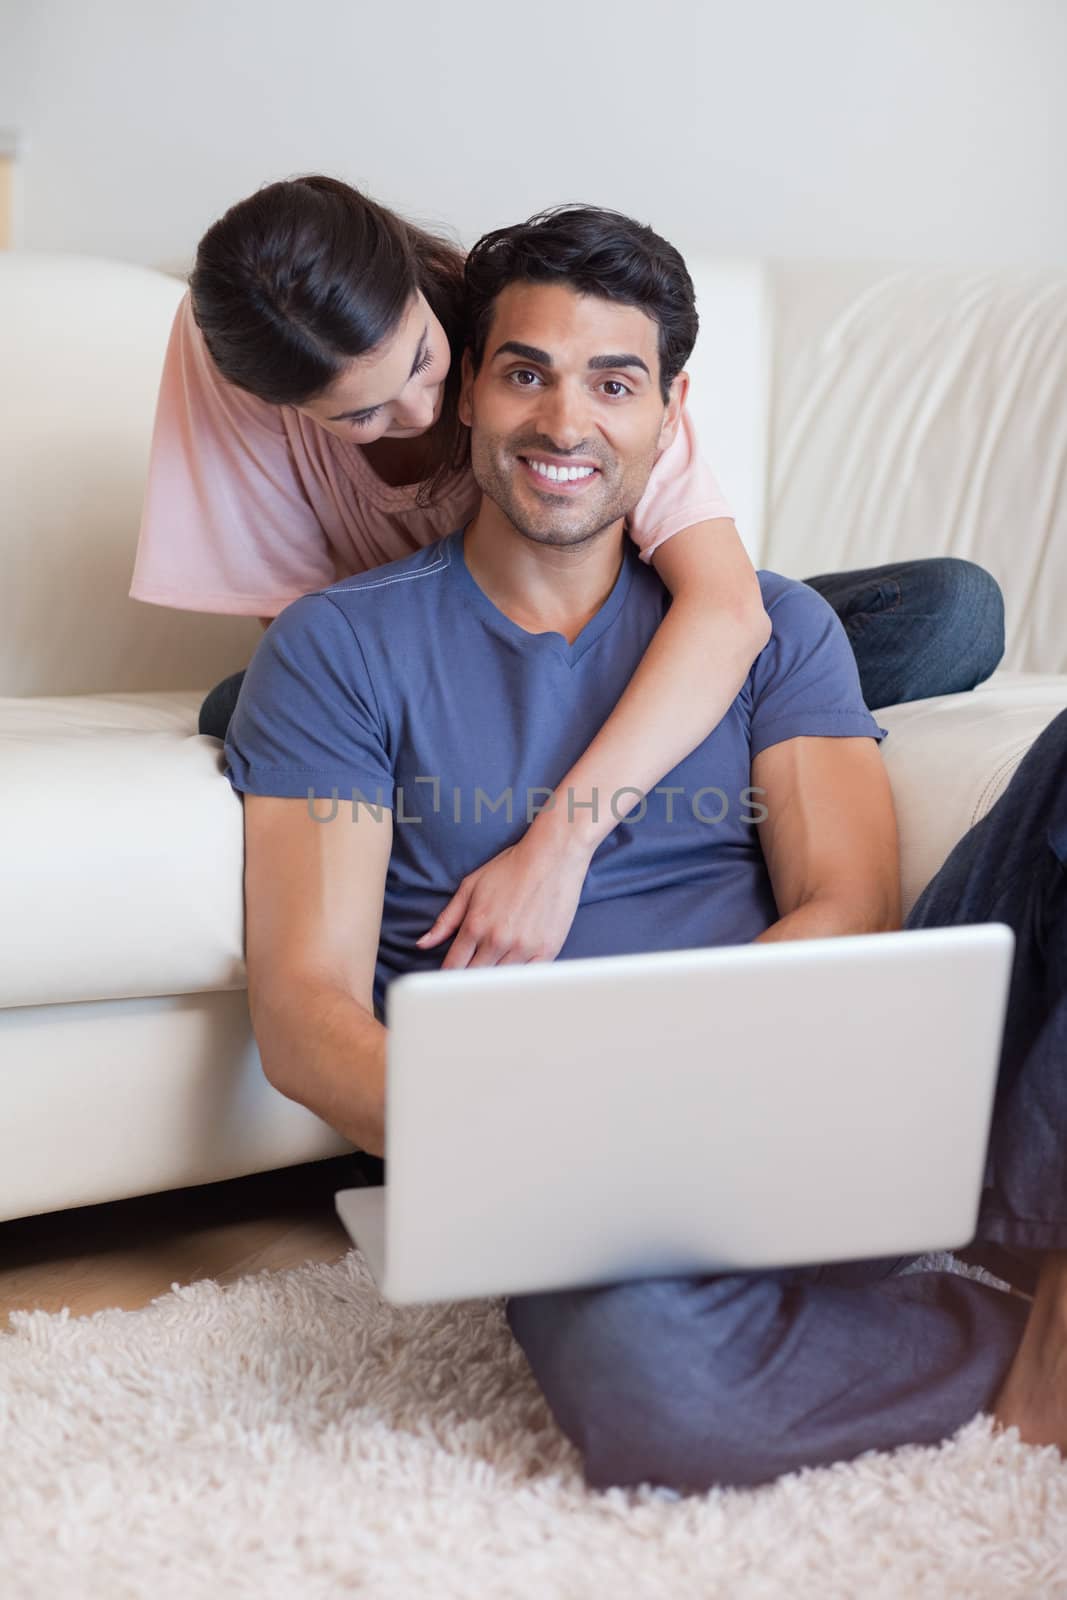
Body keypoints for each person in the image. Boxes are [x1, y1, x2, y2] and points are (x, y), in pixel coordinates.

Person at [221, 203, 1067, 1490]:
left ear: (669, 413)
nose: (565, 423)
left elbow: (846, 903)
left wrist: (722, 1084)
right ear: (468, 398)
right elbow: (305, 1008)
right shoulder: (340, 650)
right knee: (655, 1389)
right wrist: (547, 1144)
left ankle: (1000, 1250)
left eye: (612, 383)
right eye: (525, 373)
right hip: (577, 1173)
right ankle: (995, 1332)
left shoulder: (772, 627)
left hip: (808, 1080)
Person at [129, 176, 1004, 970]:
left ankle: (688, 710)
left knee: (938, 612)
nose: (421, 412)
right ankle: (657, 726)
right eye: (362, 413)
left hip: (613, 623)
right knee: (253, 703)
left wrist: (557, 842)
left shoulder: (554, 341)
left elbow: (728, 609)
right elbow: (298, 620)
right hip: (418, 665)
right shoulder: (234, 374)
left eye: (425, 365)